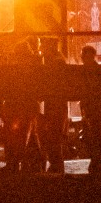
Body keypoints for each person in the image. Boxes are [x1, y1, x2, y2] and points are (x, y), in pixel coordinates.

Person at [0, 38, 42, 173]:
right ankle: (29, 165)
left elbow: (7, 88)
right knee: (28, 137)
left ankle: (14, 164)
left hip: (16, 107)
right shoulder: (34, 68)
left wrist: (3, 107)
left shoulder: (15, 69)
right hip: (27, 107)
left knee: (15, 137)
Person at [38, 37, 69, 173]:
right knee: (53, 137)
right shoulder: (57, 60)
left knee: (53, 137)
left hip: (55, 106)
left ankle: (56, 166)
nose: (41, 49)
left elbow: (51, 85)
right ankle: (56, 166)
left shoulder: (55, 63)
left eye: (43, 46)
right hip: (55, 105)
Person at [79, 45, 101, 174]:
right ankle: (98, 162)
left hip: (94, 106)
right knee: (95, 134)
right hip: (93, 106)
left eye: (84, 55)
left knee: (95, 134)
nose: (82, 58)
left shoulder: (90, 71)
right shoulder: (95, 70)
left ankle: (98, 162)